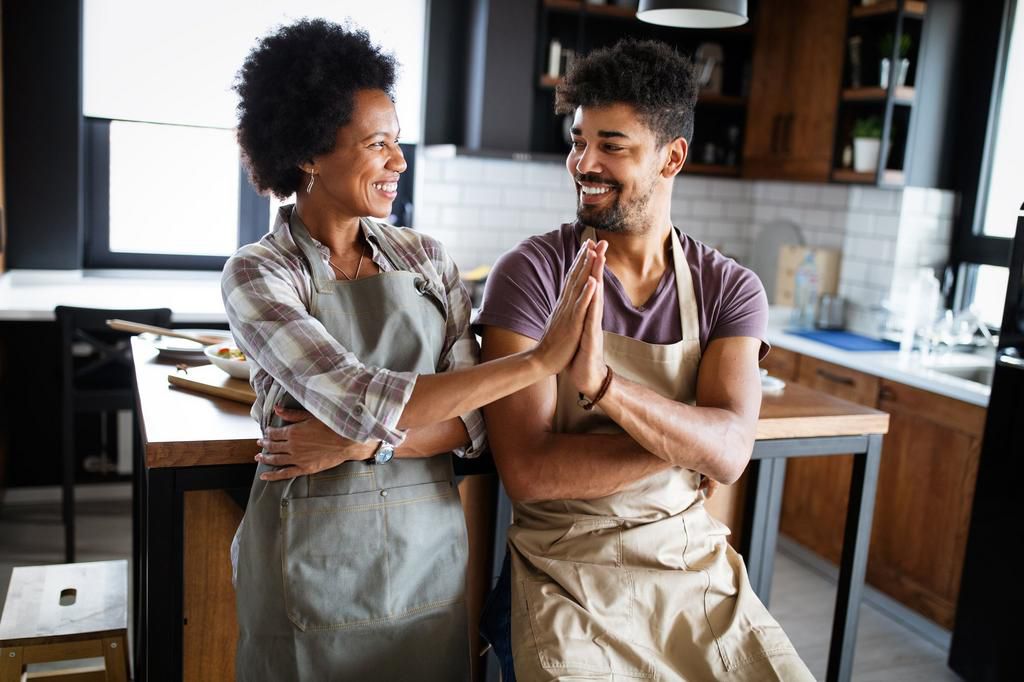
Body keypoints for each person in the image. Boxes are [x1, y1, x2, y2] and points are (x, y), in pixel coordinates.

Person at [222, 19, 604, 681]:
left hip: (426, 558)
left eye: (398, 142)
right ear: (310, 153)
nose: (400, 161)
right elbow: (358, 396)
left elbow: (476, 423)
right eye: (378, 145)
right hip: (307, 564)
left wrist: (363, 444)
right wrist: (538, 362)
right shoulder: (260, 273)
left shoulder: (426, 259)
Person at [475, 39, 815, 681]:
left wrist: (606, 388)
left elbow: (732, 454)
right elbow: (531, 472)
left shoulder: (729, 288)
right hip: (565, 572)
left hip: (692, 569)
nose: (584, 162)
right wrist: (688, 441)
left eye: (612, 145)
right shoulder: (531, 276)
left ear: (672, 157)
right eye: (578, 141)